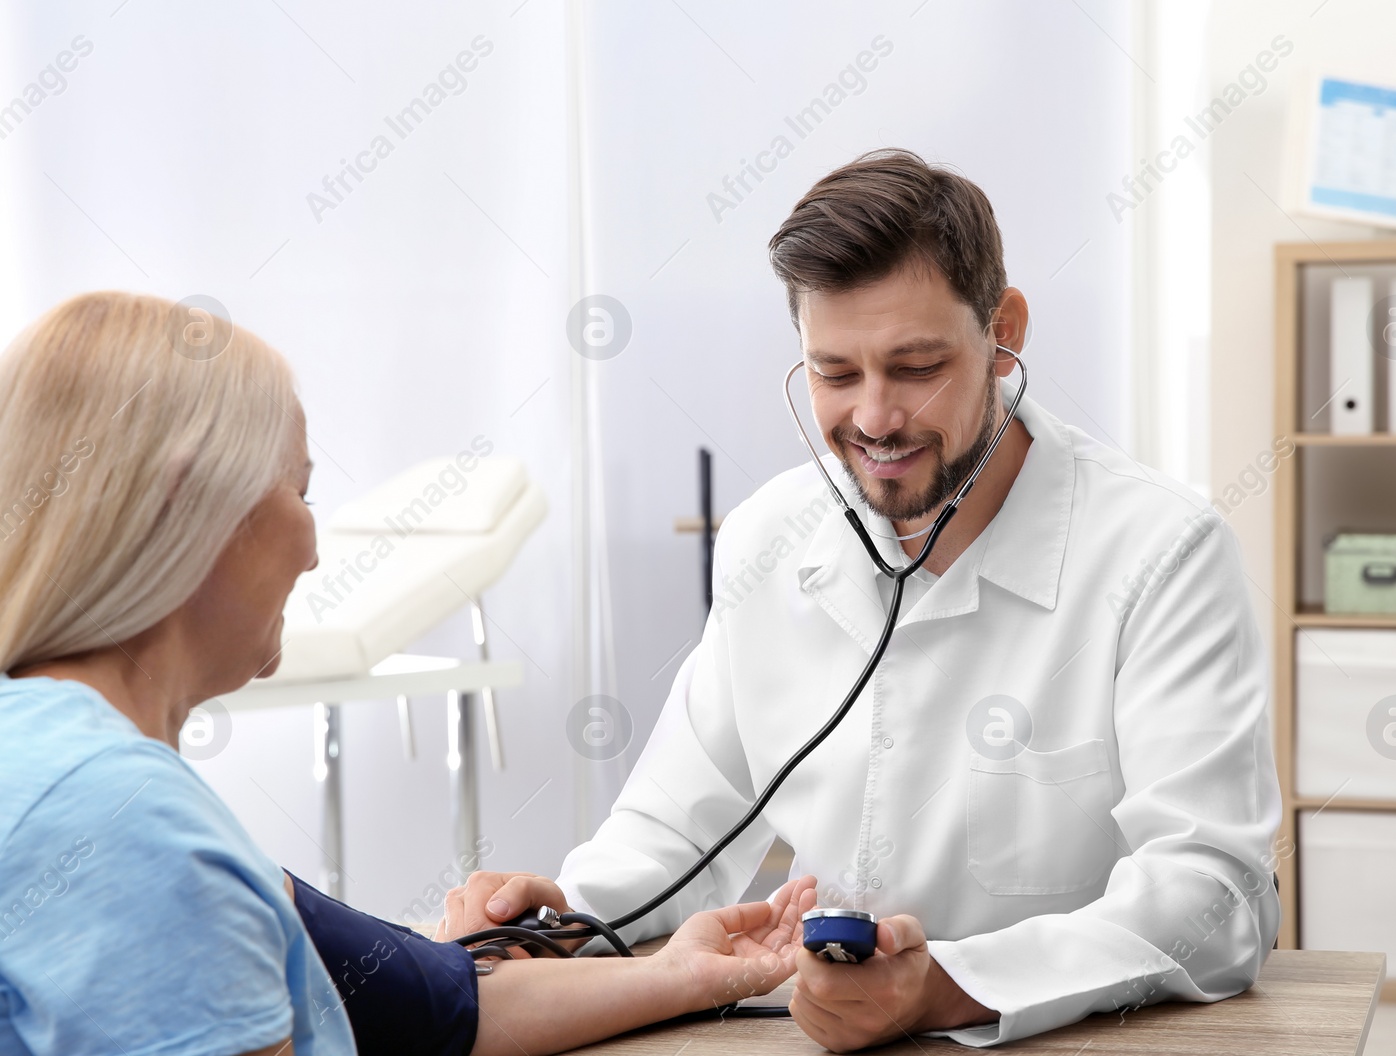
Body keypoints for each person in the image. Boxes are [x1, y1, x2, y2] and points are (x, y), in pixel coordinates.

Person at [439, 149, 1283, 1050]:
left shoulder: (1161, 552)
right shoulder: (772, 537)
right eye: (836, 375)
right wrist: (563, 923)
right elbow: (681, 820)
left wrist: (946, 988)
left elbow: (1214, 894)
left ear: (1006, 331)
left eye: (917, 367)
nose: (875, 418)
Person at [0, 291, 812, 1056]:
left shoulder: (69, 771)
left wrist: (675, 976)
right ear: (188, 507)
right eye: (299, 492)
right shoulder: (137, 837)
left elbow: (426, 994)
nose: (314, 549)